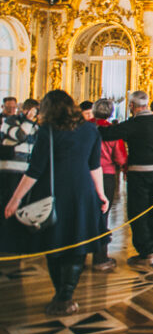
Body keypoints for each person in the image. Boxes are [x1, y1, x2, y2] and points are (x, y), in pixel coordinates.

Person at [3, 90, 108, 316]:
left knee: (55, 243)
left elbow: (35, 170)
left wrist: (15, 198)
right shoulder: (90, 129)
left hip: (53, 192)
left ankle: (61, 293)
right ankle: (66, 295)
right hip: (82, 192)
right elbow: (94, 165)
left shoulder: (48, 131)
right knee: (78, 242)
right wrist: (101, 193)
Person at [100, 90, 153, 269]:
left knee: (138, 212)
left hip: (139, 173)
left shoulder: (134, 124)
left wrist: (92, 125)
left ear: (132, 106)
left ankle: (146, 252)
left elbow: (108, 133)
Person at [89, 98, 126, 272]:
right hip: (106, 175)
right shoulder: (112, 131)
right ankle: (100, 257)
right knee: (102, 216)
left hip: (84, 175)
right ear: (111, 113)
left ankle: (79, 253)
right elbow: (120, 158)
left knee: (84, 213)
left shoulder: (83, 127)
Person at [1, 97, 39, 254]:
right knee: (8, 205)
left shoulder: (34, 126)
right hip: (9, 171)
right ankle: (6, 243)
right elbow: (20, 135)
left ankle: (21, 242)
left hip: (26, 172)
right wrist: (29, 121)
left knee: (23, 207)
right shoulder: (9, 121)